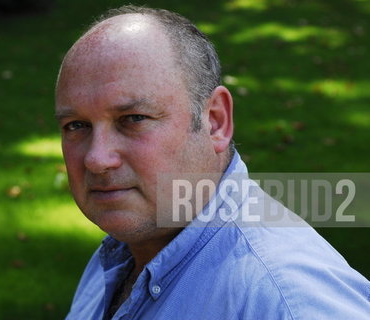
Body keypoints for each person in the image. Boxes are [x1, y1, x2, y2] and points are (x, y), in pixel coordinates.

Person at [55, 5, 370, 320]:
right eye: (76, 125)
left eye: (133, 119)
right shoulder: (118, 255)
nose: (97, 159)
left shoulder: (286, 300)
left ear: (216, 122)